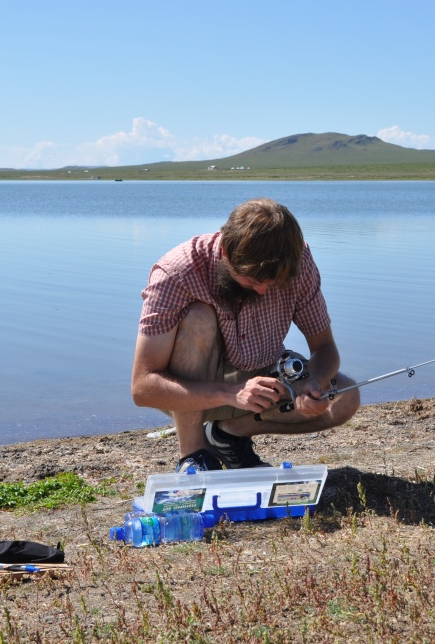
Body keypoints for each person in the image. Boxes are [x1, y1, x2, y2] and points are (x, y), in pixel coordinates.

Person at [131, 198, 360, 472]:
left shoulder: (299, 262)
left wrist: (315, 382)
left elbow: (324, 348)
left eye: (272, 284)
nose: (262, 291)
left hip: (264, 375)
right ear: (227, 252)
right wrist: (231, 392)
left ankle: (227, 434)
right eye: (252, 281)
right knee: (198, 319)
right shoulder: (177, 272)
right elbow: (143, 388)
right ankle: (193, 456)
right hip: (192, 391)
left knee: (345, 398)